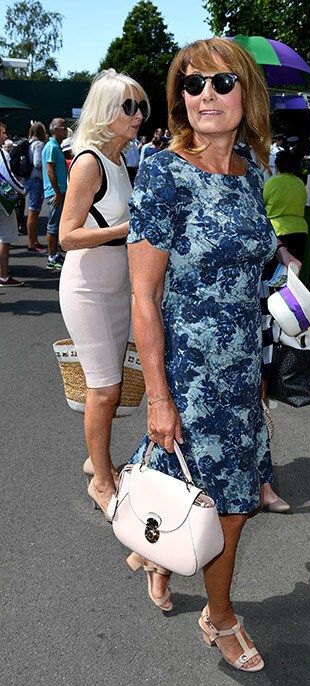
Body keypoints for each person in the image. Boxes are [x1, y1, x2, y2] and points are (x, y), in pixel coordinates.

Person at [128, 37, 280, 672]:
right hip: (189, 374)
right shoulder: (164, 173)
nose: (207, 96)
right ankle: (219, 618)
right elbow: (143, 296)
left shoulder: (253, 174)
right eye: (193, 85)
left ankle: (161, 556)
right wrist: (159, 398)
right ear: (178, 99)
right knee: (230, 509)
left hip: (242, 372)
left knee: (200, 496)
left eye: (222, 83)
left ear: (247, 96)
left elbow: (257, 270)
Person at [59, 69, 149, 520]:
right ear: (105, 111)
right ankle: (101, 479)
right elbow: (66, 235)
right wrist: (126, 230)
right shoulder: (91, 160)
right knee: (105, 389)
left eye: (141, 107)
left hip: (116, 289)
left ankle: (97, 456)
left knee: (109, 383)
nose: (137, 116)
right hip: (89, 289)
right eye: (128, 107)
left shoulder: (119, 162)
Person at [263, 149, 308, 262]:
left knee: (273, 274)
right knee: (294, 271)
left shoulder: (272, 182)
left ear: (277, 166)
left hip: (277, 231)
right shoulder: (300, 182)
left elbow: (260, 203)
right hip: (300, 231)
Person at [0, 121, 26, 286]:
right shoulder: (2, 153)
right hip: (2, 201)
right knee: (4, 238)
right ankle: (3, 275)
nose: (6, 136)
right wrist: (23, 190)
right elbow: (8, 175)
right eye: (3, 132)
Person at [42, 117, 68, 270]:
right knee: (53, 226)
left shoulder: (54, 146)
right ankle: (51, 257)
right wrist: (57, 192)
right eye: (63, 127)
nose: (66, 130)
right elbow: (50, 170)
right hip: (55, 193)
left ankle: (54, 254)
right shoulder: (52, 147)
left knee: (56, 225)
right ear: (55, 130)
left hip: (57, 191)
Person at [25, 121, 48, 253]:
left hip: (30, 179)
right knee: (34, 212)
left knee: (34, 211)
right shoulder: (38, 144)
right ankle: (31, 243)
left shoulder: (29, 143)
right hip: (37, 179)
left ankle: (34, 241)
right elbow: (37, 162)